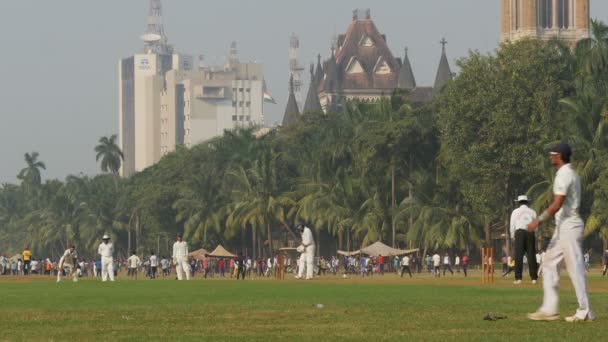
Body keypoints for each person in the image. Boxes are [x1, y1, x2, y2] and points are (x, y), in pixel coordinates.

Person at [527, 144, 594, 322]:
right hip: (564, 227)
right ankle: (549, 310)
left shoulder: (564, 175)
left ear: (560, 156)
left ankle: (585, 310)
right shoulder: (569, 173)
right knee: (548, 262)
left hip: (569, 227)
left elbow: (557, 204)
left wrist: (538, 220)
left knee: (575, 269)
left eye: (553, 154)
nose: (551, 157)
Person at [510, 195, 539, 285]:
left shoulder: (515, 211)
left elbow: (512, 224)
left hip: (520, 233)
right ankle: (534, 278)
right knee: (531, 255)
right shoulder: (532, 212)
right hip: (530, 232)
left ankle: (518, 278)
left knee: (519, 256)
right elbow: (536, 225)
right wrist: (535, 233)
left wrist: (512, 235)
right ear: (527, 202)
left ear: (519, 202)